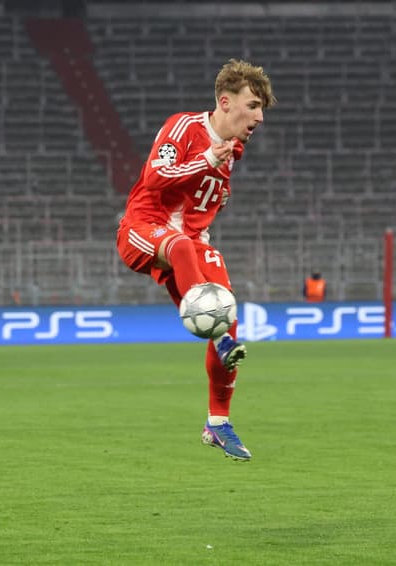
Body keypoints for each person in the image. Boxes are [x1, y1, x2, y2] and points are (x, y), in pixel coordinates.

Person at [116, 59, 275, 461]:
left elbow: (208, 194)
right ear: (225, 102)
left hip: (191, 240)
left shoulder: (234, 149)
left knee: (228, 312)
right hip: (142, 228)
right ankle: (220, 341)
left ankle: (217, 424)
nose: (259, 117)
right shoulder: (183, 127)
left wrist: (219, 192)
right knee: (184, 252)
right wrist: (206, 161)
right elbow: (154, 177)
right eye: (253, 106)